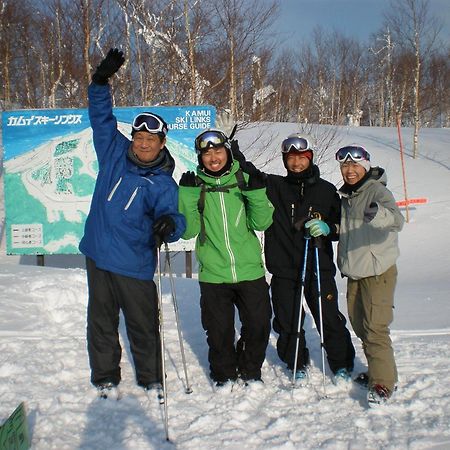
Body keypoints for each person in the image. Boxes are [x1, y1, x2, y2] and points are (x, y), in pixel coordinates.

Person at [79, 48, 186, 399]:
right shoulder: (113, 152)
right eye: (139, 137)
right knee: (101, 322)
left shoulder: (163, 183)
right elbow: (101, 116)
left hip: (134, 263)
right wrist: (100, 81)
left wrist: (169, 225)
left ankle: (151, 377)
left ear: (161, 143)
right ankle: (105, 376)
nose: (142, 144)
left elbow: (175, 217)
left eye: (150, 140)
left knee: (142, 325)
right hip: (98, 254)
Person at [232, 133, 355, 385]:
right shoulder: (274, 186)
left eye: (301, 158)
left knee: (328, 317)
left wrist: (328, 227)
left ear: (310, 158)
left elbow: (344, 225)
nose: (296, 163)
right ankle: (296, 362)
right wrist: (231, 147)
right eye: (291, 159)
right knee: (288, 321)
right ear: (285, 160)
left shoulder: (326, 190)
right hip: (284, 269)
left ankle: (341, 364)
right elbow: (249, 173)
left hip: (318, 268)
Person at [178, 128, 274, 389]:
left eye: (218, 151)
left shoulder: (243, 180)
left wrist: (256, 193)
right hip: (214, 273)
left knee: (259, 325)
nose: (213, 157)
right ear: (200, 158)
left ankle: (250, 369)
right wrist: (186, 197)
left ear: (228, 153)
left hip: (250, 270)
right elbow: (189, 230)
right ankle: (223, 374)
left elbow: (262, 222)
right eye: (206, 153)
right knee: (219, 332)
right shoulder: (195, 186)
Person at [335, 144, 404, 406]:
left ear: (364, 166)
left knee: (375, 328)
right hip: (355, 271)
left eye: (354, 165)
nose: (349, 171)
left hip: (378, 271)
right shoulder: (348, 196)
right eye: (345, 166)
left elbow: (396, 220)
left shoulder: (377, 190)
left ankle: (383, 384)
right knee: (361, 325)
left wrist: (378, 214)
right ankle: (379, 371)